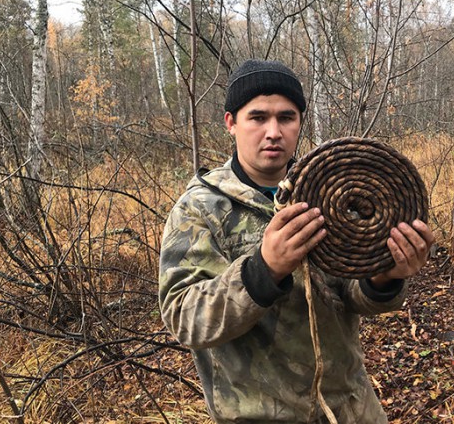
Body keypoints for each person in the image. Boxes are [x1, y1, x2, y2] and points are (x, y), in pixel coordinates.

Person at [158, 59, 435, 424]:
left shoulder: (327, 188)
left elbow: (349, 297)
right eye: (258, 117)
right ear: (231, 123)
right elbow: (184, 319)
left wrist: (385, 275)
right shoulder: (201, 208)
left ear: (299, 122)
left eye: (286, 118)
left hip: (350, 408)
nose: (273, 131)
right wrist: (263, 270)